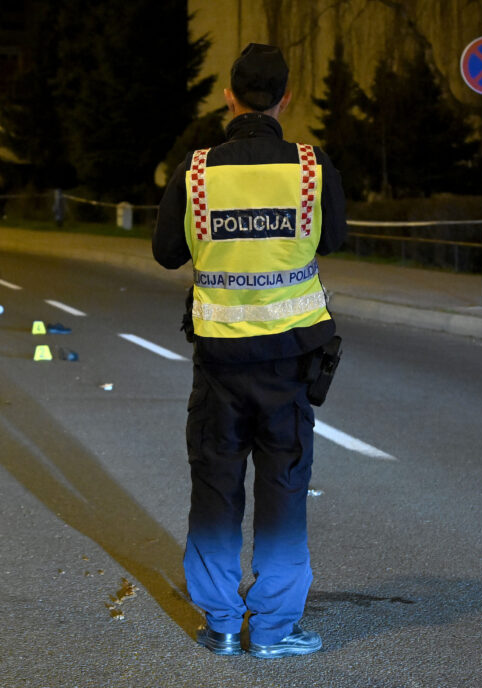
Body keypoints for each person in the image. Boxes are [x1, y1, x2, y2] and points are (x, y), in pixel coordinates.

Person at [152, 43, 347, 658]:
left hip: (221, 363)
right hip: (291, 363)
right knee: (285, 487)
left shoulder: (199, 171)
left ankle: (221, 624)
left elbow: (166, 252)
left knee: (215, 484)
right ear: (285, 98)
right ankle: (274, 629)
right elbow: (335, 237)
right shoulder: (312, 168)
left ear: (230, 96)